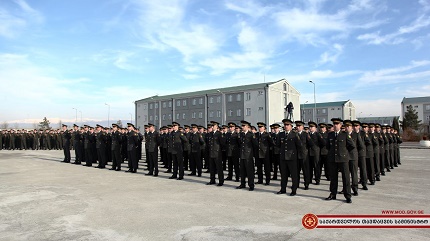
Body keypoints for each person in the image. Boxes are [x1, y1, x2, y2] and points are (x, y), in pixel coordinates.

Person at [325, 118, 355, 203]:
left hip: (343, 159)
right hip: (333, 159)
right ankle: (333, 194)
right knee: (333, 178)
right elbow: (327, 146)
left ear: (340, 125)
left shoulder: (345, 134)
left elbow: (352, 145)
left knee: (346, 178)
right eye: (334, 124)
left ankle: (348, 195)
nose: (335, 125)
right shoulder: (330, 134)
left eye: (337, 124)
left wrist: (344, 153)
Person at [276, 119, 302, 196]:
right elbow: (278, 145)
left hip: (292, 158)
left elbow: (299, 145)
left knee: (294, 175)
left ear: (291, 126)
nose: (286, 126)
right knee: (283, 174)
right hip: (283, 157)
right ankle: (283, 189)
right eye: (285, 125)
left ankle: (294, 190)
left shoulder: (294, 134)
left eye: (287, 125)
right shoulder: (281, 134)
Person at [236, 120, 257, 191]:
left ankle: (251, 185)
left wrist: (252, 154)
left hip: (248, 155)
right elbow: (239, 144)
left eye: (243, 126)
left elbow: (255, 145)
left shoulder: (251, 135)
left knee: (249, 171)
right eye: (242, 126)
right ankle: (242, 183)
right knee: (242, 171)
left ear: (248, 127)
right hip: (242, 155)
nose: (242, 127)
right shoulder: (241, 134)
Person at [206, 121, 225, 186]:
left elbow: (222, 144)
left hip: (217, 153)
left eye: (213, 126)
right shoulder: (210, 134)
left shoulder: (219, 134)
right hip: (211, 153)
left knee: (219, 168)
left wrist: (220, 151)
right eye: (211, 126)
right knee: (212, 168)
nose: (212, 127)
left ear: (216, 126)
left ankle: (221, 181)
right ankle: (212, 180)